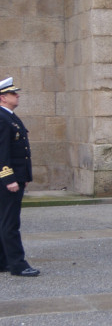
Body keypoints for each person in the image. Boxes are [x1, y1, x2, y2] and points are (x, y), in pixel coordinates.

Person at [0, 77, 39, 277]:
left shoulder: (10, 117)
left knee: (4, 221)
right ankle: (18, 264)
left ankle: (3, 261)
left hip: (14, 178)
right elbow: (1, 152)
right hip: (8, 180)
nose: (17, 96)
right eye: (13, 93)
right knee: (10, 223)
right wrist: (9, 179)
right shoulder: (2, 118)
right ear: (2, 98)